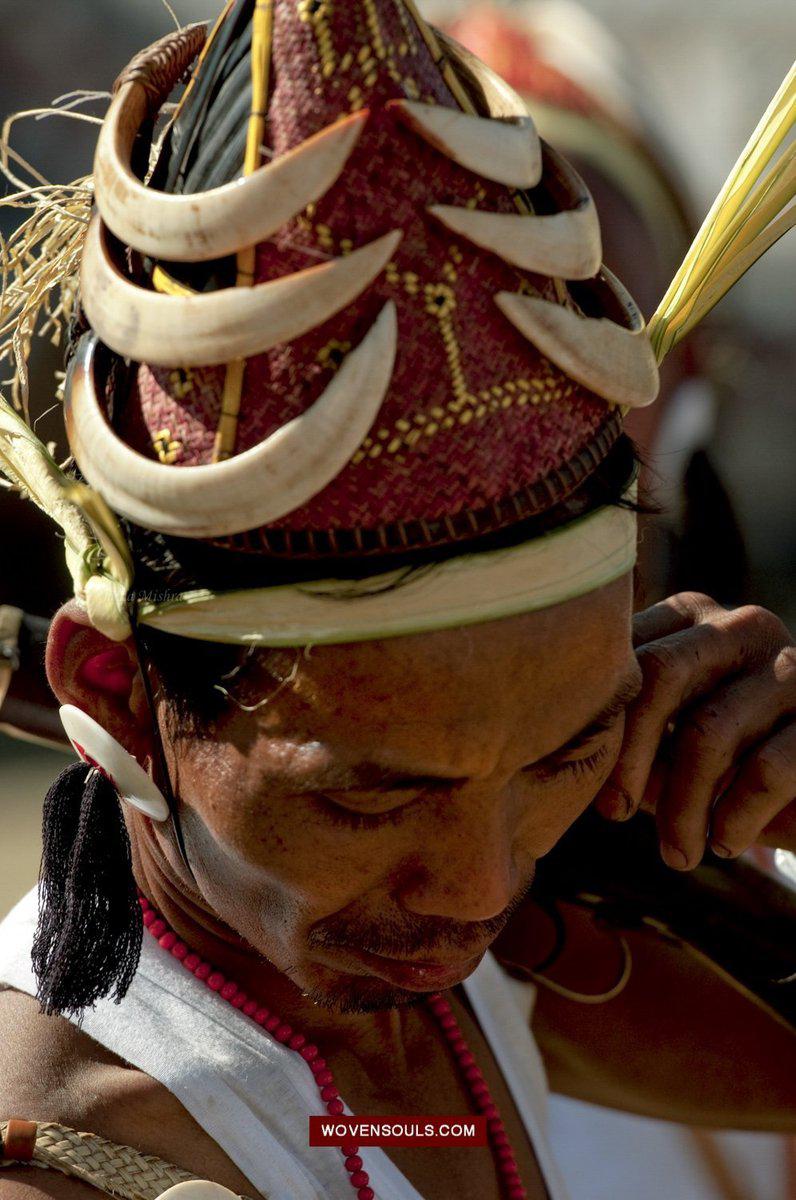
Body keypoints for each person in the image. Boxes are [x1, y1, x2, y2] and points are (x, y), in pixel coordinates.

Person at [0, 3, 793, 1198]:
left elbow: (364, 1133)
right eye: (369, 797)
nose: (480, 886)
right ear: (113, 687)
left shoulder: (465, 978)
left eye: (561, 755)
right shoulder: (77, 1161)